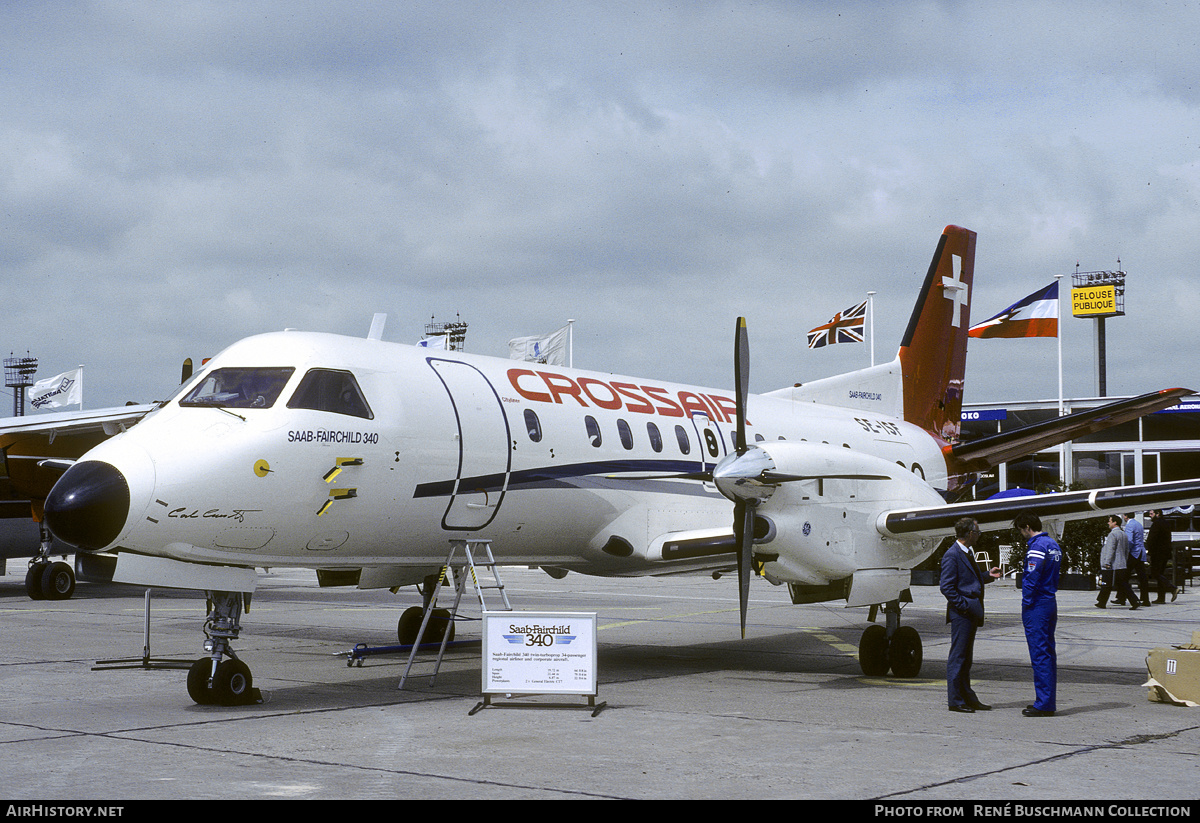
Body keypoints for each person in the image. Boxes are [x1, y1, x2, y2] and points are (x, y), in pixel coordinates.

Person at [940, 517, 1000, 713]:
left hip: (970, 611)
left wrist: (987, 576)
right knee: (958, 657)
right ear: (969, 534)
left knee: (966, 658)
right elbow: (946, 587)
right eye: (977, 532)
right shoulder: (952, 555)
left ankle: (967, 696)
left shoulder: (966, 552)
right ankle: (955, 700)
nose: (979, 535)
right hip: (963, 614)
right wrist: (963, 606)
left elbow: (969, 579)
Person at [1014, 511, 1061, 718]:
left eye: (1021, 530)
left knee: (1039, 654)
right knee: (1048, 653)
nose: (1022, 534)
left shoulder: (1037, 547)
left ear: (1026, 527)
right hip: (1050, 601)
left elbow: (1031, 577)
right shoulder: (1053, 544)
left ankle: (1044, 704)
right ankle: (1047, 699)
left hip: (1037, 605)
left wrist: (1026, 603)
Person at [1096, 515, 1139, 610]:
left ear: (1115, 522)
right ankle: (1101, 602)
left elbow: (1111, 549)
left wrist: (1107, 562)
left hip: (1113, 565)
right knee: (1121, 583)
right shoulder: (1123, 534)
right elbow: (1127, 549)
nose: (1108, 523)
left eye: (1110, 521)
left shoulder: (1113, 534)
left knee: (1108, 583)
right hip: (1121, 563)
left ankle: (1134, 601)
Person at [1116, 513, 1151, 608]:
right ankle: (1145, 599)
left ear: (1126, 516)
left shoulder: (1130, 525)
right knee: (1142, 576)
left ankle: (1123, 597)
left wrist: (1126, 550)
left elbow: (1129, 540)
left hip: (1133, 553)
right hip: (1140, 552)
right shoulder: (1139, 524)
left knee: (1123, 575)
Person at [1146, 509, 1180, 603]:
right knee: (1160, 573)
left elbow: (1151, 539)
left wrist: (1149, 553)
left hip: (1157, 553)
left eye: (1151, 514)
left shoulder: (1156, 524)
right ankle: (1161, 598)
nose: (1150, 516)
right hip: (1165, 553)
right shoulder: (1166, 523)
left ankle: (1172, 588)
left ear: (1158, 514)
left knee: (1155, 573)